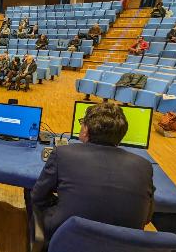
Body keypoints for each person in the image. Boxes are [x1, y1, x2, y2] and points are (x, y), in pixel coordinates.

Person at [31, 102, 154, 241]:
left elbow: (38, 196)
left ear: (85, 130)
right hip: (121, 245)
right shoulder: (145, 166)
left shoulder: (63, 153)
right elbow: (147, 217)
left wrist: (63, 202)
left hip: (66, 238)